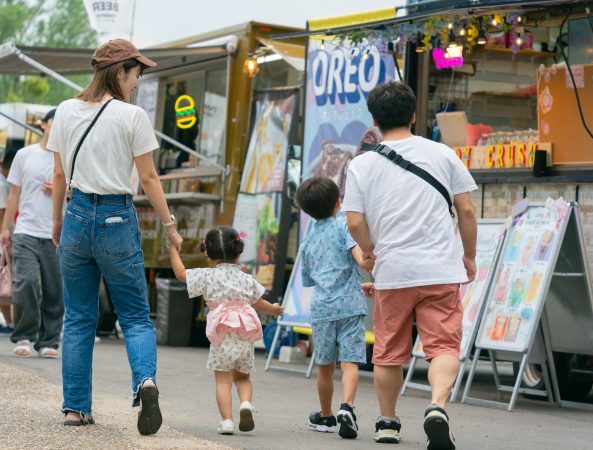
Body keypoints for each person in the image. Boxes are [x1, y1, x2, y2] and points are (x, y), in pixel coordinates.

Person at [48, 39, 183, 434]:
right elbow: (148, 178)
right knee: (137, 316)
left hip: (75, 215)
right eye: (137, 73)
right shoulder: (132, 116)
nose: (138, 82)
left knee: (78, 318)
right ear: (119, 71)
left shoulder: (66, 111)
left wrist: (58, 221)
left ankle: (75, 408)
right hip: (117, 219)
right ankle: (145, 382)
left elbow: (58, 175)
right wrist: (169, 226)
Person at [343, 81, 478, 449]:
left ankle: (387, 423)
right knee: (443, 347)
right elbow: (465, 209)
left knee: (388, 351)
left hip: (394, 271)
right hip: (440, 269)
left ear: (374, 120)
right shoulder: (442, 153)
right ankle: (436, 405)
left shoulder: (362, 164)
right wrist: (468, 256)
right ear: (415, 115)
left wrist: (371, 251)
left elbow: (354, 223)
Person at [169, 226, 284, 435]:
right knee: (243, 377)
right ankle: (246, 404)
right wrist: (274, 310)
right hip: (244, 335)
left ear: (207, 252)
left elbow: (180, 274)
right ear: (239, 252)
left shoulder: (208, 276)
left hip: (221, 336)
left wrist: (172, 249)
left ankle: (227, 421)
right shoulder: (245, 278)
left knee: (223, 381)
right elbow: (259, 303)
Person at [295, 176, 374, 440]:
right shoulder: (343, 228)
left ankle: (326, 415)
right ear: (338, 203)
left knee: (325, 366)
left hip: (322, 309)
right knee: (350, 361)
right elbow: (361, 261)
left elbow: (311, 279)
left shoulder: (307, 241)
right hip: (350, 305)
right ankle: (347, 407)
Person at [0, 110, 64, 358]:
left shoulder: (67, 159)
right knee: (25, 283)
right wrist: (5, 228)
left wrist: (62, 187)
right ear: (43, 124)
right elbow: (14, 194)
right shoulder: (25, 155)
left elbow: (77, 192)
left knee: (54, 289)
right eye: (53, 123)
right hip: (26, 230)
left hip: (57, 232)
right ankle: (25, 335)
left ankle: (48, 340)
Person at [0, 150, 16, 333]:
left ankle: (9, 322)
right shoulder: (3, 185)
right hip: (3, 238)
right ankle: (10, 322)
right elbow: (2, 212)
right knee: (5, 279)